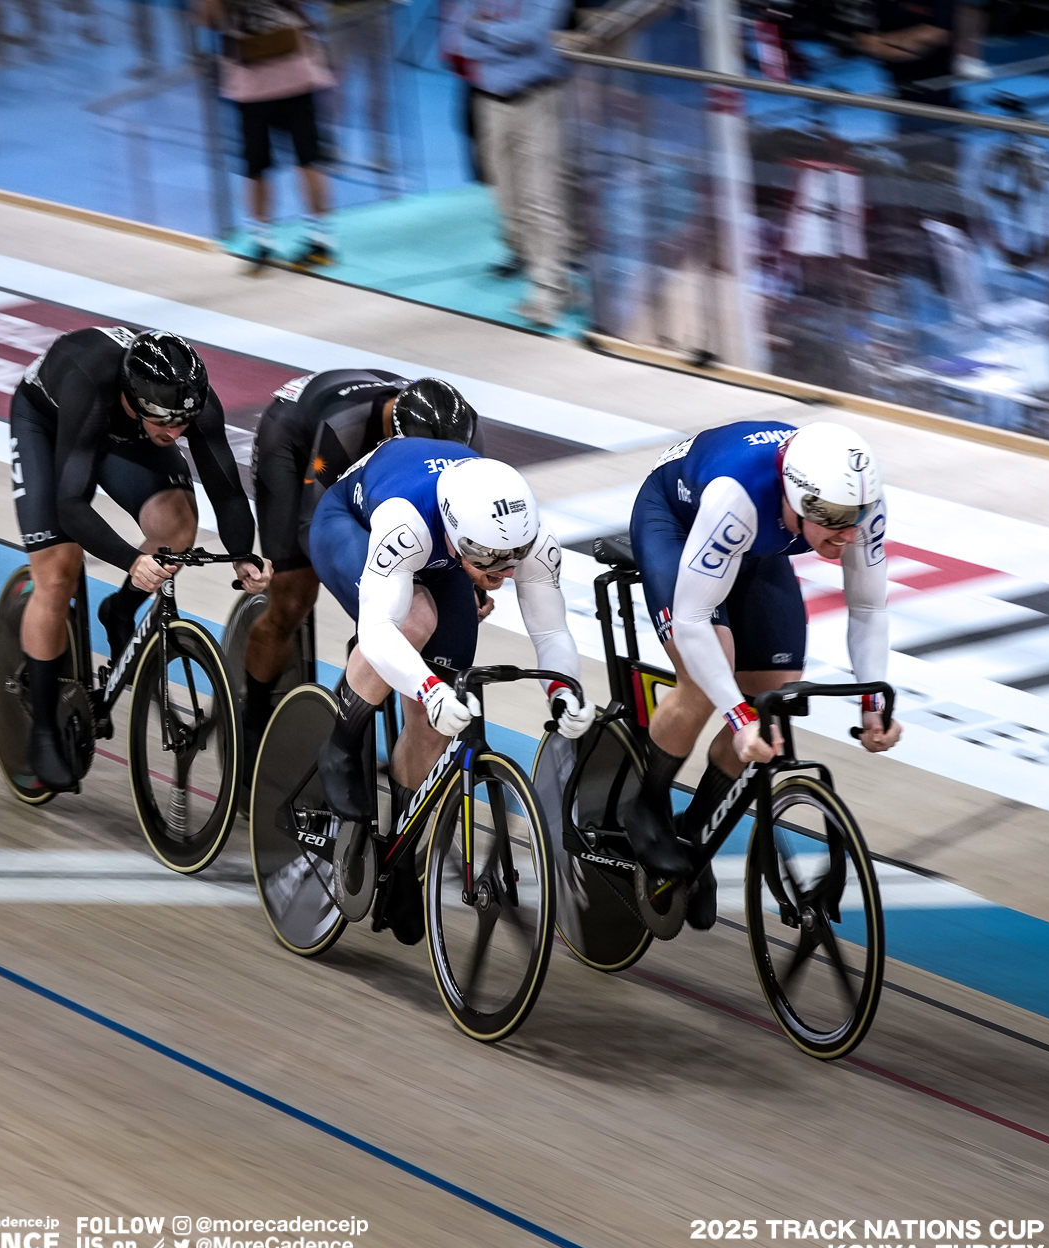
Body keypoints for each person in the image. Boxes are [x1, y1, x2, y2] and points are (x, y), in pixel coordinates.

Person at [308, 437, 596, 935]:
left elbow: (550, 631)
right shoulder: (406, 522)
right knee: (412, 621)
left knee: (441, 716)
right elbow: (378, 631)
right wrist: (427, 689)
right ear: (459, 535)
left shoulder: (522, 538)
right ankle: (341, 740)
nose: (503, 573)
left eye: (512, 559)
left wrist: (564, 690)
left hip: (442, 560)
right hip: (350, 527)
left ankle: (400, 852)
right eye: (489, 561)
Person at [625, 420, 901, 930]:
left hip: (758, 541)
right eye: (832, 520)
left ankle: (696, 831)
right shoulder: (738, 496)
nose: (846, 534)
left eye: (854, 519)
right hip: (679, 520)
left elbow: (869, 609)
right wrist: (736, 715)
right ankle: (645, 805)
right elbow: (689, 621)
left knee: (773, 699)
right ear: (797, 499)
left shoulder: (860, 507)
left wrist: (874, 706)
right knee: (710, 679)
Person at [12, 327, 271, 792]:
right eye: (165, 424)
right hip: (49, 421)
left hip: (122, 429)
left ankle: (121, 608)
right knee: (57, 574)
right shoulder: (92, 387)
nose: (174, 434)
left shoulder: (186, 403)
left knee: (175, 525)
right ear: (134, 397)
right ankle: (44, 726)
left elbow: (229, 493)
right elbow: (73, 505)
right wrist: (132, 560)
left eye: (182, 425)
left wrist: (242, 556)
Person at [242, 372, 481, 752]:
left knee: (416, 594)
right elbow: (311, 522)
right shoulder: (348, 424)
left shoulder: (461, 431)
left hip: (379, 485)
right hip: (298, 443)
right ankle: (252, 722)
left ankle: (358, 708)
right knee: (293, 596)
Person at [439, 0, 575, 327]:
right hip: (488, 102)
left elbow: (528, 35)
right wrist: (501, 40)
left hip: (537, 98)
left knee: (540, 200)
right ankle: (556, 282)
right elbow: (454, 42)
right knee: (508, 198)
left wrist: (481, 30)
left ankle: (549, 289)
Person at [201, 0, 339, 271]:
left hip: (258, 80)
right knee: (305, 158)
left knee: (261, 164)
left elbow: (210, 19)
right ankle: (320, 239)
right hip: (291, 70)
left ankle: (265, 243)